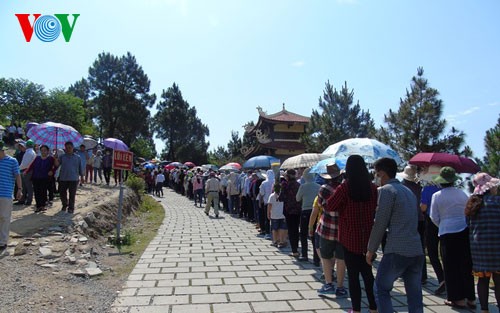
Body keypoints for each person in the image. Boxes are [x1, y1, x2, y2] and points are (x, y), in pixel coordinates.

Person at [367, 157, 424, 313]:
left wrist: (371, 249)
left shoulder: (387, 191)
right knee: (415, 295)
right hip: (416, 249)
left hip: (397, 249)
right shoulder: (409, 192)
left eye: (376, 173)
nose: (376, 177)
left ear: (382, 173)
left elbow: (380, 223)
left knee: (381, 288)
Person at [430, 166, 476, 309]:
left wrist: (443, 224)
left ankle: (457, 298)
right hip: (463, 230)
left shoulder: (437, 196)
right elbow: (468, 211)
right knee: (465, 265)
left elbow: (434, 217)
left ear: (441, 181)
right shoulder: (462, 194)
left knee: (450, 267)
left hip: (447, 231)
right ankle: (471, 298)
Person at [466, 173, 500, 312]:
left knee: (483, 279)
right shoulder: (498, 201)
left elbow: (467, 225)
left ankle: (484, 309)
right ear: (489, 188)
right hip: (497, 246)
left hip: (479, 247)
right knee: (498, 281)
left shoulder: (473, 204)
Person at [316, 163, 348, 297]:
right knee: (341, 258)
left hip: (327, 228)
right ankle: (340, 286)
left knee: (326, 256)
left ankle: (329, 283)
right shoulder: (346, 188)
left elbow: (320, 204)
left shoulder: (324, 188)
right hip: (344, 228)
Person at [400, 165, 427, 284]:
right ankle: (423, 275)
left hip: (407, 220)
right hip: (420, 219)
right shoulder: (419, 187)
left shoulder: (402, 187)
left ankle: (407, 272)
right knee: (420, 248)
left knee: (406, 247)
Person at [0, 140, 23, 254]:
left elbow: (17, 175)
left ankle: (3, 242)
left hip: (5, 193)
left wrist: (19, 189)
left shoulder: (12, 161)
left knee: (4, 218)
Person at [296, 168, 321, 263]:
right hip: (316, 211)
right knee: (315, 234)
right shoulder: (319, 186)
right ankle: (316, 257)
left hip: (305, 211)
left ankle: (304, 254)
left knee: (303, 233)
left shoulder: (303, 186)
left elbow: (297, 199)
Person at [25, 145, 56, 212]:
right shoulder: (37, 158)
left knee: (43, 192)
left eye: (45, 150)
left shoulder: (51, 158)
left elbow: (55, 166)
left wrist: (52, 171)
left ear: (48, 151)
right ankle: (38, 206)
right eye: (42, 150)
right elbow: (31, 165)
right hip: (36, 177)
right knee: (36, 192)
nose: (43, 152)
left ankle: (43, 205)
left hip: (45, 178)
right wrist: (26, 172)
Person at [55, 141, 84, 214]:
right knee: (62, 193)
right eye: (66, 148)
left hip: (74, 179)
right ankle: (65, 204)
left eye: (69, 148)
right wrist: (55, 158)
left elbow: (80, 168)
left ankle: (71, 208)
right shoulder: (62, 157)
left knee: (72, 194)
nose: (68, 149)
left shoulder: (77, 157)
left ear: (72, 148)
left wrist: (82, 177)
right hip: (63, 178)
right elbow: (57, 165)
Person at [280, 169, 301, 258]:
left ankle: (294, 250)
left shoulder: (285, 185)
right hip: (298, 210)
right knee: (296, 229)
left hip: (289, 210)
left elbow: (281, 198)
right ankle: (296, 247)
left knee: (291, 230)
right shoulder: (299, 185)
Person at [17, 139, 36, 206]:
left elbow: (25, 164)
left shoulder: (28, 152)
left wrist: (18, 168)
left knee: (27, 186)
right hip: (28, 170)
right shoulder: (32, 152)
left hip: (26, 170)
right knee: (27, 186)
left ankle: (27, 200)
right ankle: (25, 199)